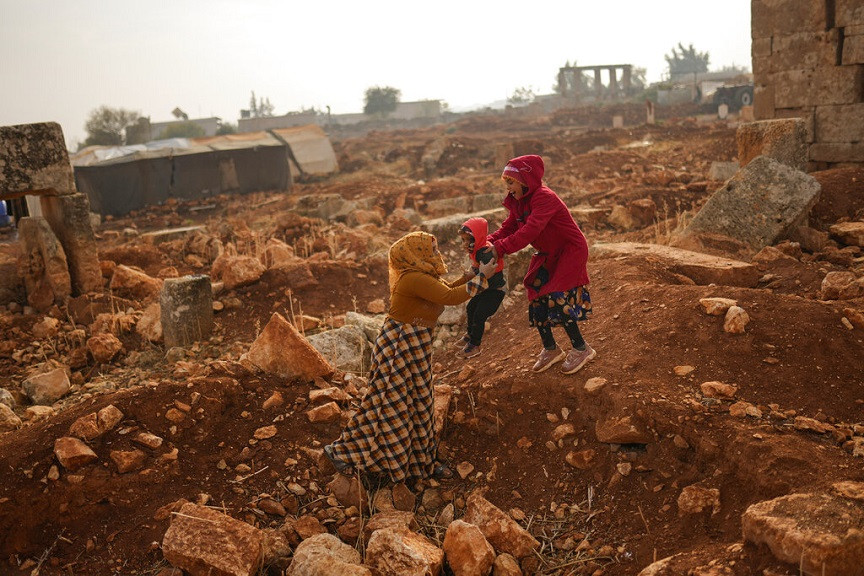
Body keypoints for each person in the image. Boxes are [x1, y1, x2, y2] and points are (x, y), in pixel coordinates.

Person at [325, 231, 496, 483]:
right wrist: (482, 278)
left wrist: (468, 277)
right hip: (398, 347)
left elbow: (445, 288)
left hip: (415, 346)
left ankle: (420, 464)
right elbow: (448, 297)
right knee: (385, 404)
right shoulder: (413, 278)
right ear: (417, 253)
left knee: (420, 404)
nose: (436, 254)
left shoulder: (422, 277)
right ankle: (341, 451)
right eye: (432, 250)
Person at [487, 154, 595, 374]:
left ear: (526, 180)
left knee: (556, 294)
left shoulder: (544, 197)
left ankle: (581, 348)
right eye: (506, 182)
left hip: (569, 250)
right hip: (548, 253)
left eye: (511, 182)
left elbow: (529, 231)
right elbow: (509, 227)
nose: (508, 188)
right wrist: (487, 241)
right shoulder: (520, 201)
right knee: (536, 292)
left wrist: (500, 248)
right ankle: (551, 349)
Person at [449, 217, 506, 358]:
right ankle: (470, 335)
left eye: (468, 240)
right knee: (470, 308)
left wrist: (475, 273)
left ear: (478, 237)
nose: (465, 244)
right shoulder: (477, 251)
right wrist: (471, 273)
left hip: (495, 292)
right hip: (485, 289)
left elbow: (486, 272)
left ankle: (475, 345)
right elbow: (477, 268)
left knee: (479, 315)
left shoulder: (485, 253)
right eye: (463, 240)